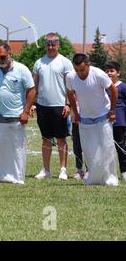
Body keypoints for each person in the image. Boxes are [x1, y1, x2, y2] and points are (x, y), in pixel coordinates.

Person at [0, 43, 35, 184]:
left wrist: (25, 112)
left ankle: (17, 177)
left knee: (17, 148)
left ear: (10, 54)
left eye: (3, 56)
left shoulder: (22, 69)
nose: (0, 59)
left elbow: (32, 90)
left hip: (17, 116)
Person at [66, 54, 119, 186]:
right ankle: (94, 178)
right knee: (89, 149)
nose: (79, 73)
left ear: (88, 66)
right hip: (85, 117)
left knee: (106, 147)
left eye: (82, 70)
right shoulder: (70, 76)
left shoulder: (99, 74)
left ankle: (110, 178)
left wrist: (112, 111)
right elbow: (70, 93)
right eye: (76, 69)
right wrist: (76, 113)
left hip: (103, 115)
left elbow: (113, 90)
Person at [32, 33, 73, 181]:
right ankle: (46, 169)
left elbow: (70, 86)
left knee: (61, 139)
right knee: (46, 139)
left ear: (58, 44)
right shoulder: (39, 63)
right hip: (43, 106)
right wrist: (31, 104)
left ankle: (63, 169)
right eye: (48, 44)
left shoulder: (65, 62)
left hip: (59, 106)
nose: (50, 47)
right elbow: (34, 86)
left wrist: (68, 104)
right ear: (45, 45)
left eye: (53, 44)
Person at [104, 61, 126, 181]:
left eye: (112, 71)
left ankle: (124, 171)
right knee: (105, 148)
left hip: (119, 122)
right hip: (105, 122)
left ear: (118, 73)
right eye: (107, 71)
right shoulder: (103, 86)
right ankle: (107, 172)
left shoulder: (123, 87)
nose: (109, 73)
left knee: (121, 147)